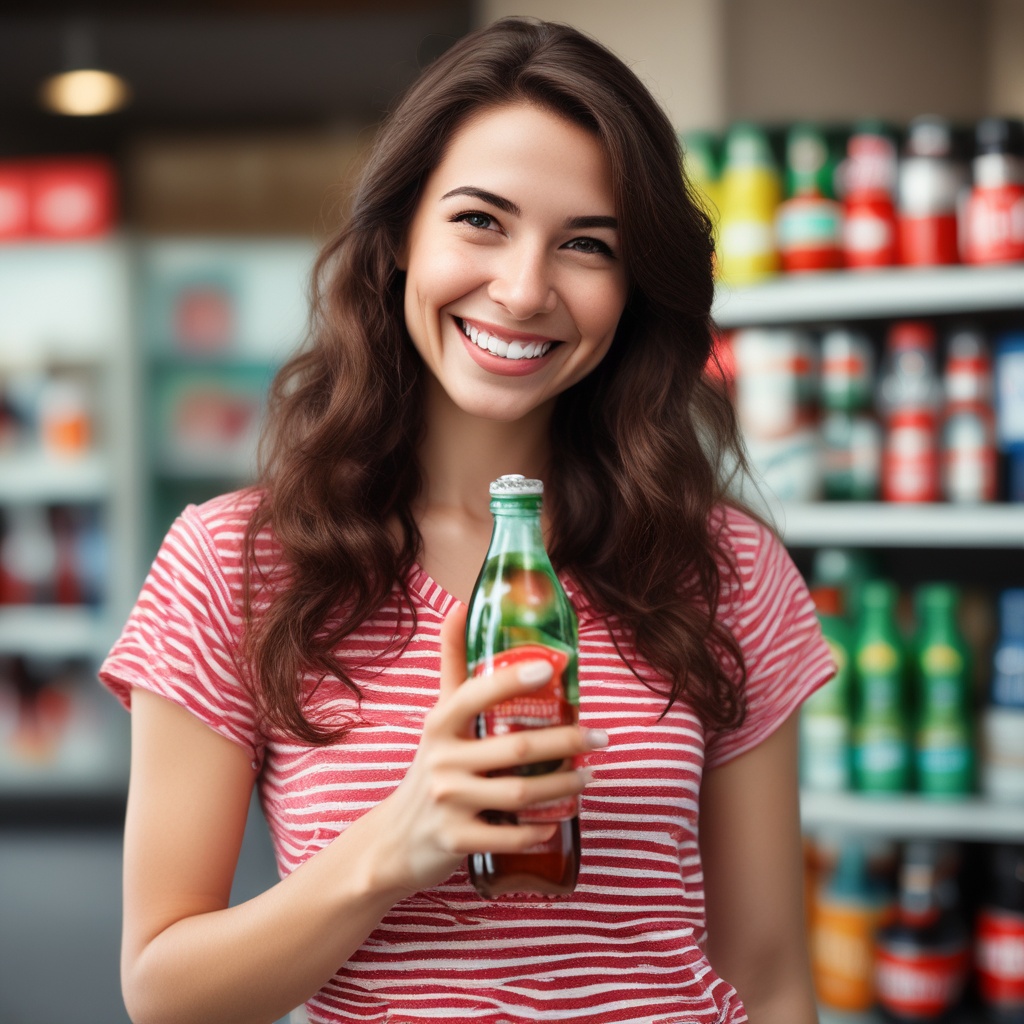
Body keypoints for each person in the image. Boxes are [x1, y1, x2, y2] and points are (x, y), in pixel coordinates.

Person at [100, 16, 834, 1024]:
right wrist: (398, 841)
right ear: (402, 232)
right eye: (481, 221)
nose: (524, 290)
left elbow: (770, 973)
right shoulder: (232, 562)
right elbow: (163, 992)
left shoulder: (727, 565)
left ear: (631, 289)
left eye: (587, 245)